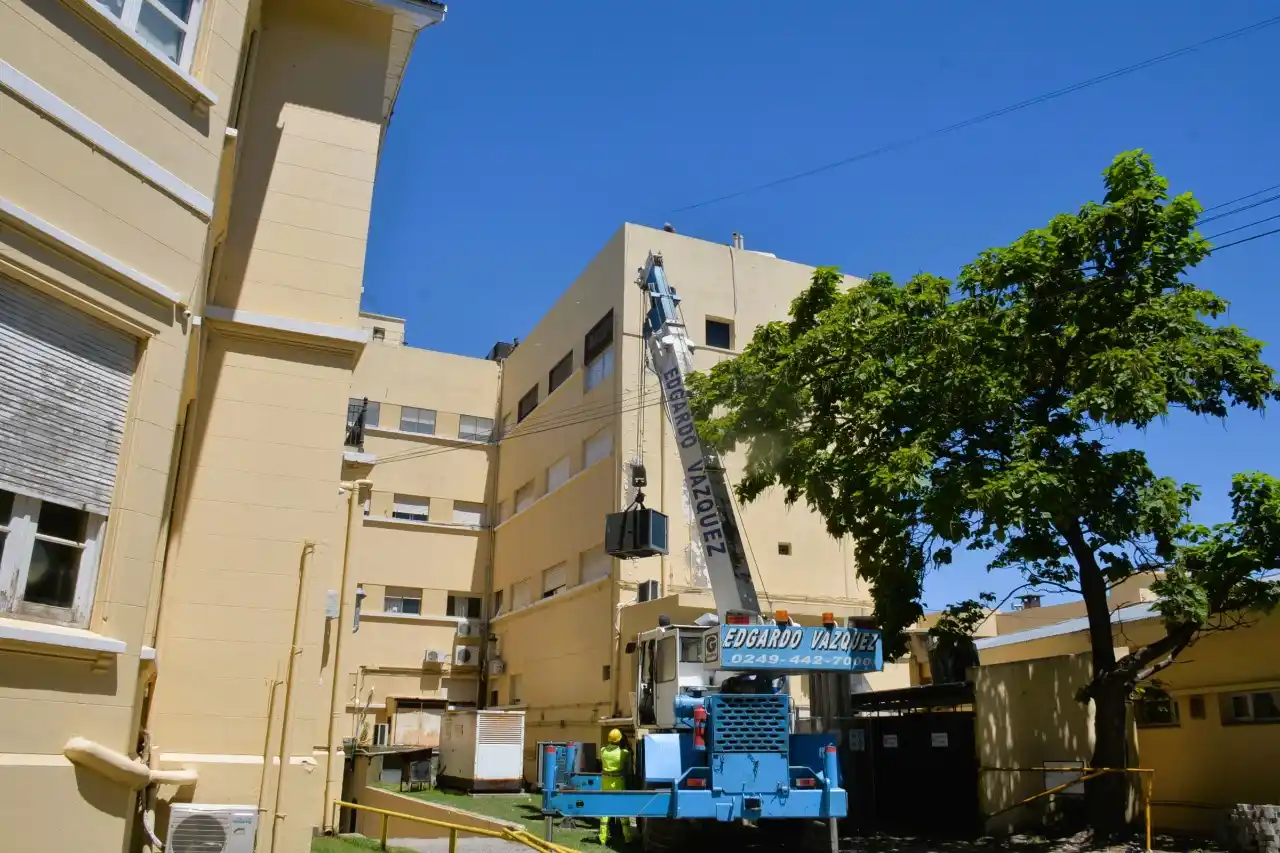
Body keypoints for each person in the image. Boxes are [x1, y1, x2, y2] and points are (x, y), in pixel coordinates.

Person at [598, 729, 635, 845]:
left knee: (605, 812)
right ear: (620, 740)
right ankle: (628, 838)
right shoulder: (624, 753)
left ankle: (602, 839)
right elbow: (630, 758)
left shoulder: (602, 751)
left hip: (605, 784)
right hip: (618, 783)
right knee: (622, 811)